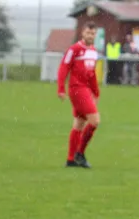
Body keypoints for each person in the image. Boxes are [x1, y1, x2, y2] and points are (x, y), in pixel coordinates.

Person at [57, 21, 100, 168]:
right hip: (77, 89)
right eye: (88, 32)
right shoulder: (74, 49)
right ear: (82, 33)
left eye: (93, 33)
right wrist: (61, 88)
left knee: (79, 125)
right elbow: (64, 67)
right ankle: (79, 154)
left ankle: (70, 159)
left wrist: (96, 91)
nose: (90, 35)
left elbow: (92, 73)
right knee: (95, 121)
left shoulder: (94, 51)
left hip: (86, 89)